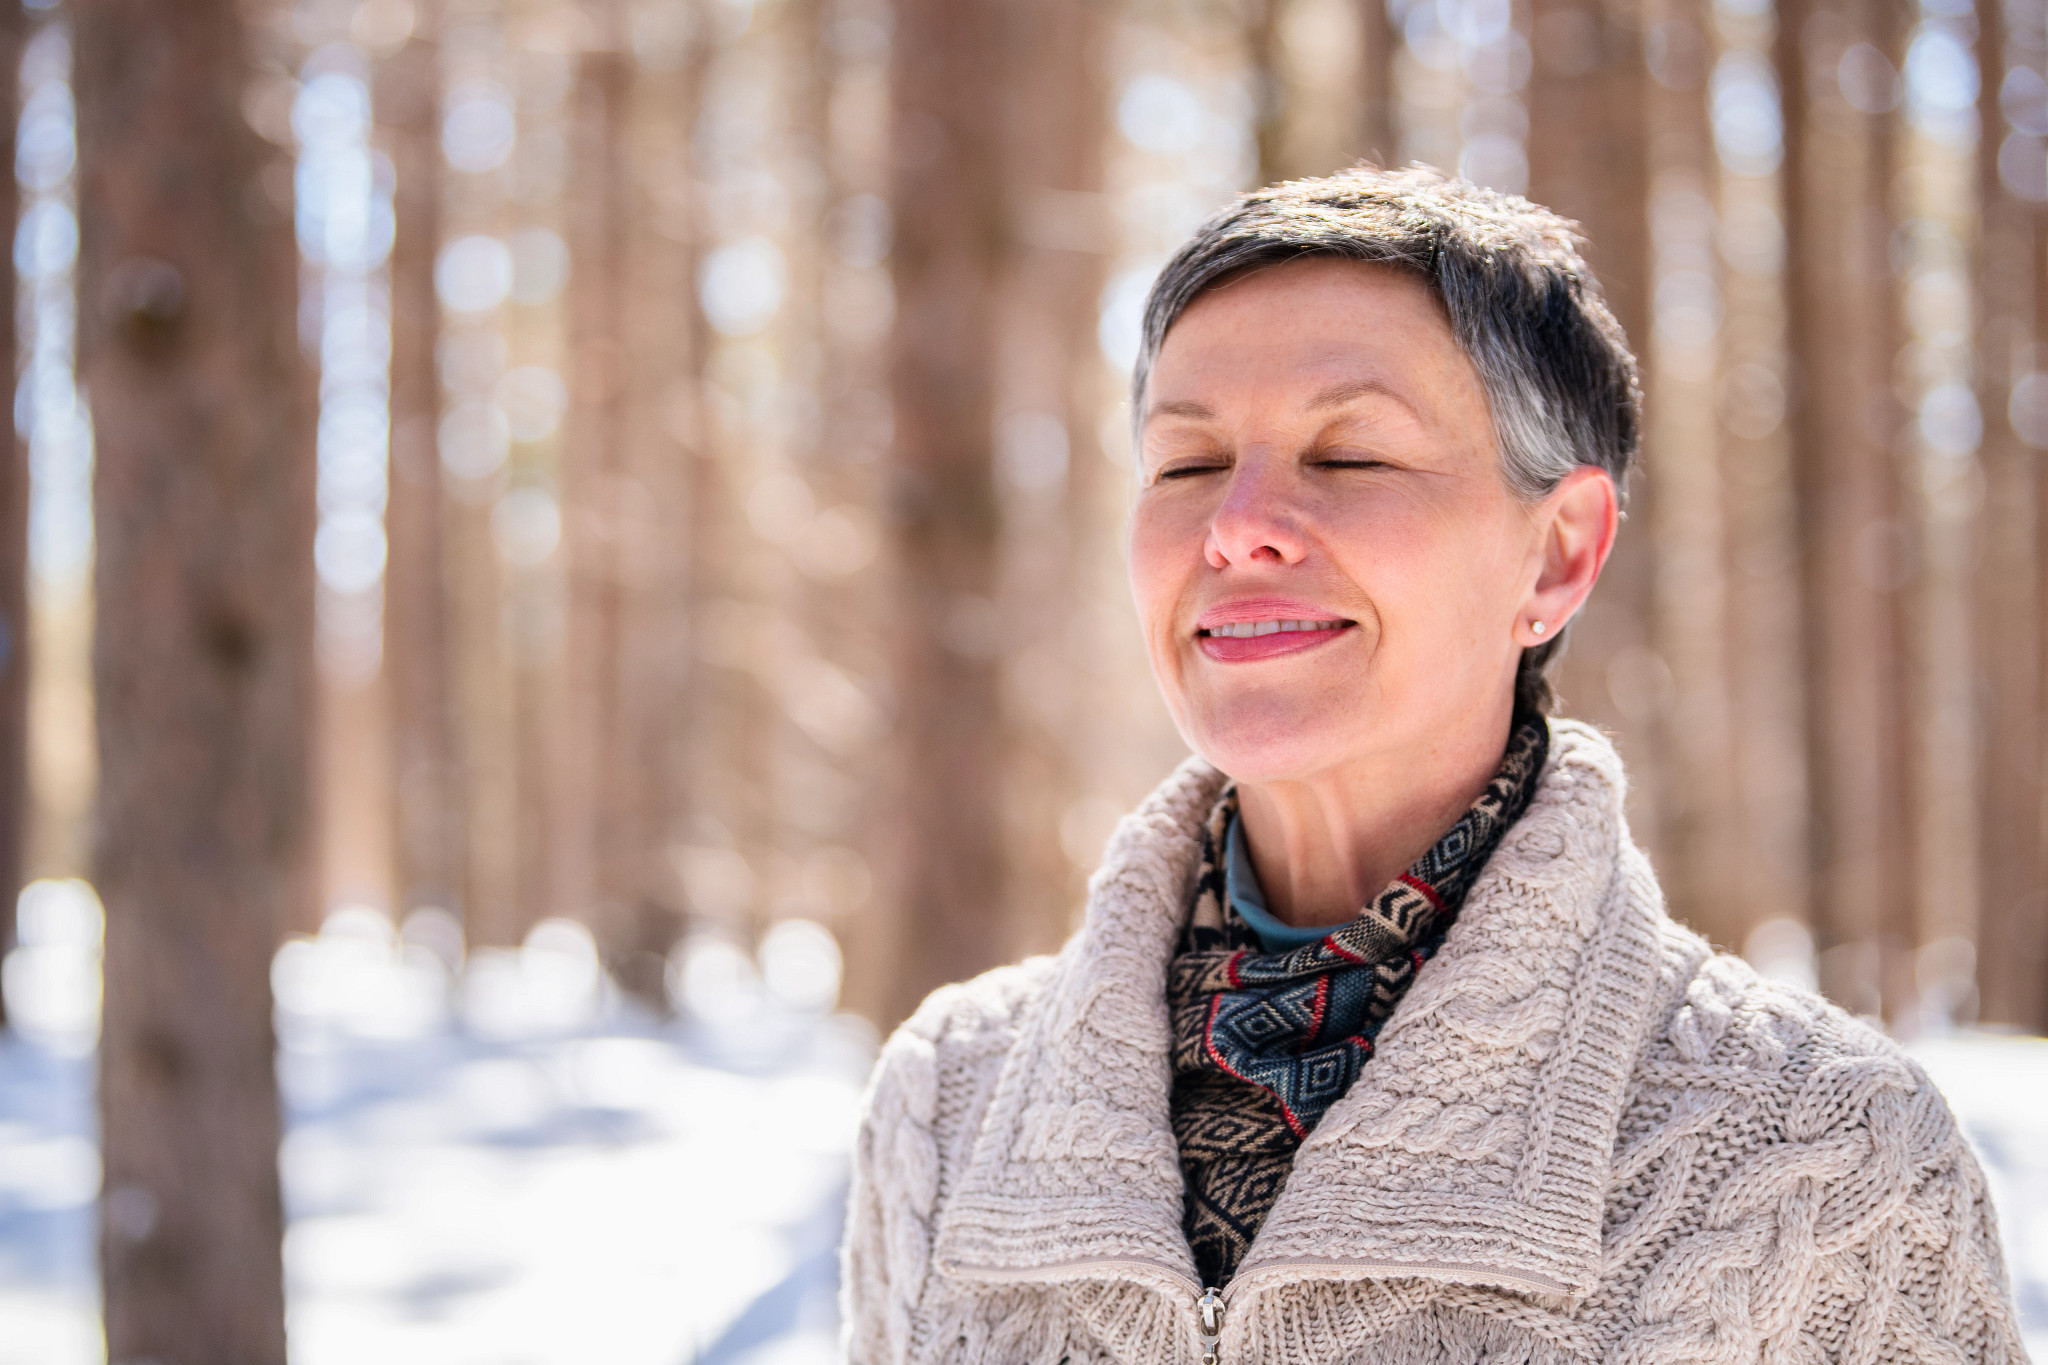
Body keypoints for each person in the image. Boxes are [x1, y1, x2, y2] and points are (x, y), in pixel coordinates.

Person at [840, 166, 2025, 1365]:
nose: (1233, 524)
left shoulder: (1822, 1155)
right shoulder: (947, 1102)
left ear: (1556, 555)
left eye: (1348, 456)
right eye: (1187, 464)